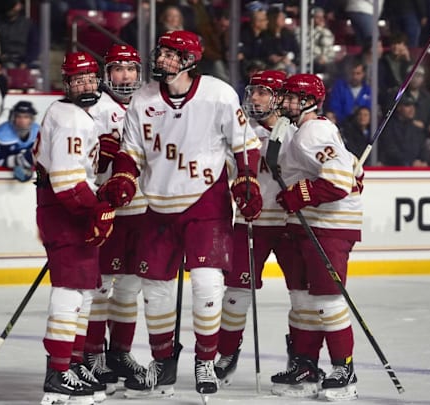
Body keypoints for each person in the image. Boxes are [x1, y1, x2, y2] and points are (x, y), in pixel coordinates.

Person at [98, 30, 262, 398]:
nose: (162, 60)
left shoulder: (218, 94)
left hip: (207, 203)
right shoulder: (143, 98)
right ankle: (162, 363)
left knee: (207, 283)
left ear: (190, 61)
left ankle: (205, 360)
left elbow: (244, 144)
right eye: (162, 54)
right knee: (155, 290)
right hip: (158, 206)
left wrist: (246, 180)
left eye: (172, 55)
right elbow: (132, 150)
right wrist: (124, 176)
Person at [271, 73, 363, 401]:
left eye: (293, 97)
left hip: (330, 226)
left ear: (309, 101)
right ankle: (306, 366)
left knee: (326, 299)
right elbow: (351, 168)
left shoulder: (314, 131)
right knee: (303, 300)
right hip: (309, 225)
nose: (285, 102)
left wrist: (300, 193)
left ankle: (344, 368)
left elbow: (338, 182)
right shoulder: (303, 131)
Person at [36, 50, 114, 405]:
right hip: (66, 208)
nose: (85, 85)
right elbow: (67, 183)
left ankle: (73, 364)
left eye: (90, 78)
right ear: (65, 84)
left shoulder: (68, 114)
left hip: (65, 208)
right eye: (77, 80)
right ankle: (58, 372)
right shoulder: (71, 119)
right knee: (70, 292)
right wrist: (96, 210)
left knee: (83, 292)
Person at [214, 69, 301, 385]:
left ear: (278, 97)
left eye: (263, 92)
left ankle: (301, 357)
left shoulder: (296, 131)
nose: (254, 98)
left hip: (290, 223)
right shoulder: (239, 132)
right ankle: (227, 352)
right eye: (253, 91)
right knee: (235, 291)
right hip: (249, 222)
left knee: (302, 294)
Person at [81, 44, 147, 391]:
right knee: (101, 284)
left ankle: (119, 352)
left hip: (143, 208)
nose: (125, 76)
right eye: (118, 69)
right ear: (107, 74)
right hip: (109, 208)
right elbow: (83, 160)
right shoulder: (96, 109)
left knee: (131, 286)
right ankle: (92, 353)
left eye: (131, 69)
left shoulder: (151, 105)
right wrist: (100, 156)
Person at [0, 100, 39, 180]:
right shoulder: (2, 134)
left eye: (26, 117)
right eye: (18, 116)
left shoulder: (38, 131)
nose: (22, 121)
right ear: (13, 118)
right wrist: (20, 161)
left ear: (32, 119)